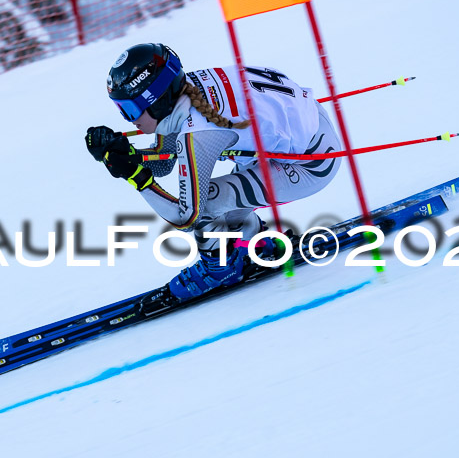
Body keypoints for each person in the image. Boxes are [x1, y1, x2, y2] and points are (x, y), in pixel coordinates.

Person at [85, 43, 341, 302]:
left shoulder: (198, 131)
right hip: (305, 127)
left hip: (311, 163)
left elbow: (187, 218)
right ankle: (251, 240)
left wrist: (134, 175)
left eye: (130, 110)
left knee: (206, 202)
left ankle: (218, 270)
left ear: (156, 101)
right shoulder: (182, 94)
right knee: (219, 197)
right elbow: (165, 162)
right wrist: (124, 155)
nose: (130, 120)